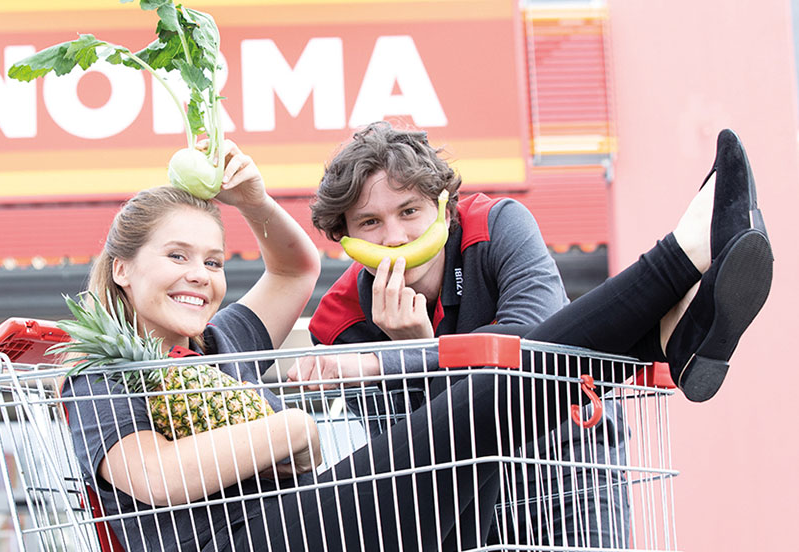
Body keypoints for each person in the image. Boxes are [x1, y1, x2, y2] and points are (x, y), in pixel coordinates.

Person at [62, 131, 773, 552]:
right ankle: (678, 273)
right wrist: (292, 427)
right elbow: (156, 479)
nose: (201, 278)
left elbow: (293, 267)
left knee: (476, 416)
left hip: (314, 519)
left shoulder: (220, 347)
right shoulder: (103, 373)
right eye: (176, 258)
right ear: (121, 269)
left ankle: (674, 312)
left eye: (214, 262)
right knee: (462, 422)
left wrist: (248, 199)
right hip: (248, 538)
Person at [301, 121, 630, 548]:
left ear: (443, 207)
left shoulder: (499, 226)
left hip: (567, 466)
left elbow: (536, 339)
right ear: (345, 237)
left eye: (409, 211)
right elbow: (411, 447)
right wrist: (417, 350)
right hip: (464, 501)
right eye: (369, 222)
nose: (395, 237)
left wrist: (395, 359)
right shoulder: (338, 322)